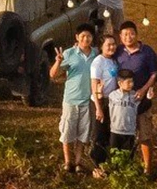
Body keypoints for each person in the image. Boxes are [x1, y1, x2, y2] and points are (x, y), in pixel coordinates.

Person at [114, 22, 157, 178]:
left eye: (131, 33)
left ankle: (147, 168)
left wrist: (144, 89)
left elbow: (154, 73)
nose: (129, 37)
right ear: (120, 37)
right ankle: (126, 165)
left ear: (137, 34)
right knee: (124, 134)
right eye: (125, 34)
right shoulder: (118, 51)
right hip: (123, 103)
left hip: (141, 101)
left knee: (145, 135)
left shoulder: (147, 52)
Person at [50, 24, 98, 175]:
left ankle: (78, 162)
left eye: (89, 36)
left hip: (87, 100)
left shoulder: (96, 54)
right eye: (83, 36)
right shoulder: (69, 53)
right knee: (67, 132)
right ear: (77, 37)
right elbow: (53, 74)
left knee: (83, 133)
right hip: (71, 100)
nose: (86, 39)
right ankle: (67, 161)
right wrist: (58, 61)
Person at [89, 33, 121, 179]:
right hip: (100, 101)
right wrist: (99, 107)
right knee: (98, 133)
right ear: (101, 47)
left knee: (109, 132)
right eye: (108, 45)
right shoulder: (98, 62)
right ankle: (97, 166)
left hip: (112, 101)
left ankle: (108, 164)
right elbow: (94, 85)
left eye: (114, 44)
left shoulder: (114, 61)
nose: (112, 47)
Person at [105, 69, 142, 164]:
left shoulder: (135, 96)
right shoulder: (112, 96)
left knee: (128, 156)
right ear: (120, 83)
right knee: (114, 156)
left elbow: (142, 107)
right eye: (128, 82)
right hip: (115, 130)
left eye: (132, 81)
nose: (131, 84)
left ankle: (126, 173)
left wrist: (149, 98)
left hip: (129, 132)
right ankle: (115, 173)